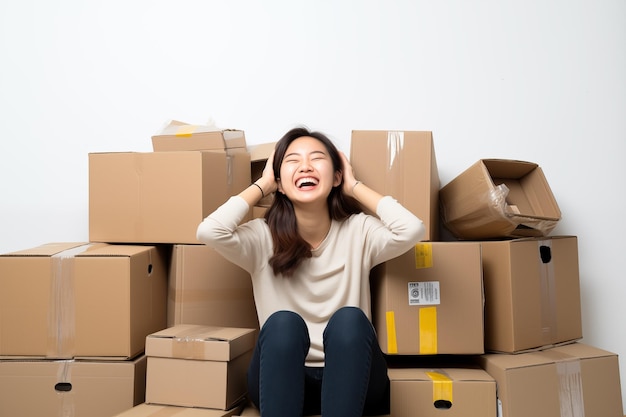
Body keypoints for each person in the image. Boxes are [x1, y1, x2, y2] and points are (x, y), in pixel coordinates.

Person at [196, 126, 425, 417]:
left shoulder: (359, 230)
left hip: (355, 380)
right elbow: (209, 231)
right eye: (292, 160)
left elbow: (412, 229)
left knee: (350, 320)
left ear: (337, 176)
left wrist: (354, 185)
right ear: (279, 182)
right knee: (283, 324)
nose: (305, 166)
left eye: (317, 159)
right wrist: (263, 184)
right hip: (284, 381)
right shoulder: (260, 237)